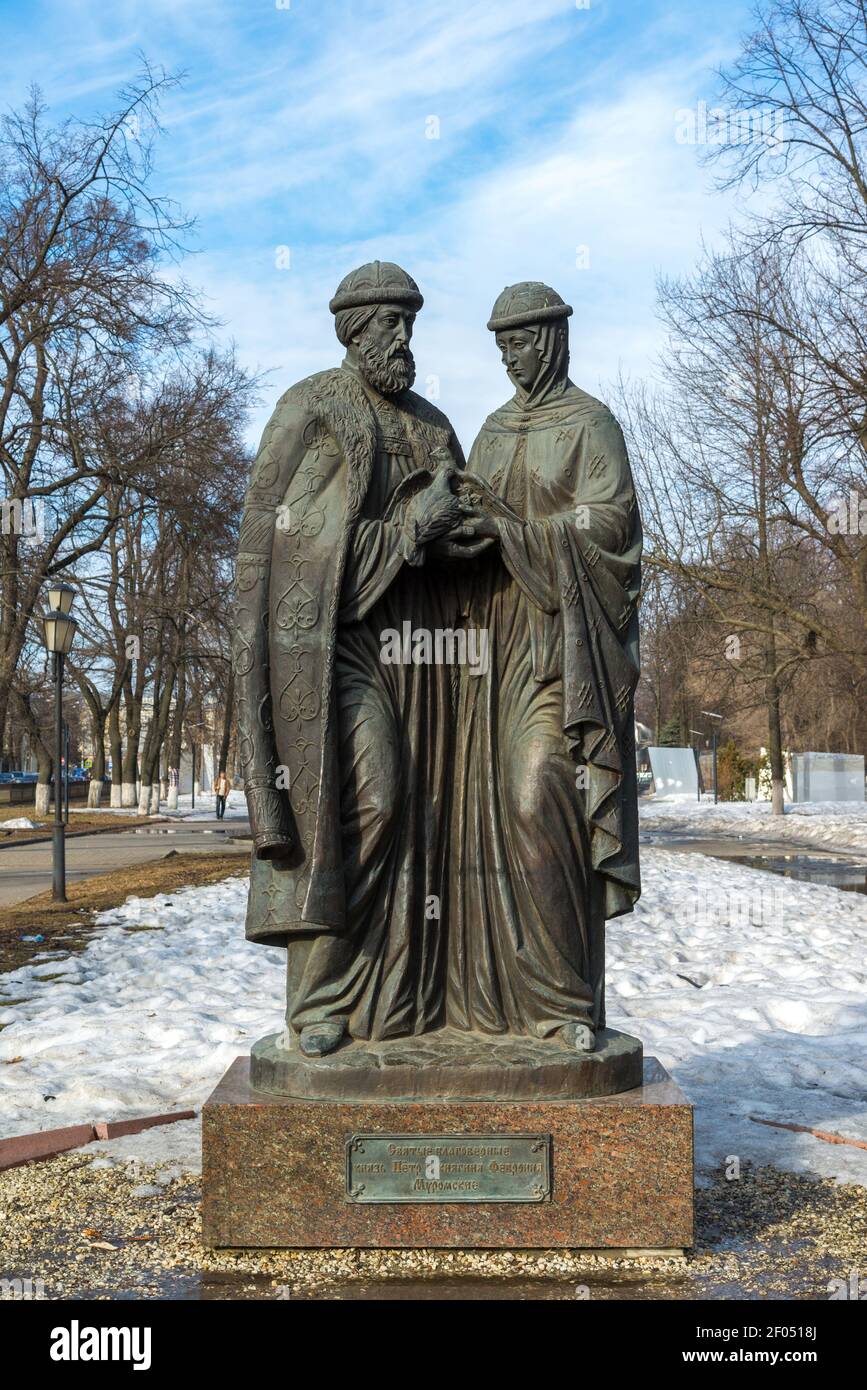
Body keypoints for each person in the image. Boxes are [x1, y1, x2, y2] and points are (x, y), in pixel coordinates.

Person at [234, 261, 473, 1057]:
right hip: (330, 650)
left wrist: (459, 539)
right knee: (367, 801)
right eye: (390, 324)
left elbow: (452, 544)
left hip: (426, 657)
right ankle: (320, 999)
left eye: (410, 322)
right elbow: (287, 542)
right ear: (354, 331)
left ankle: (405, 995)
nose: (404, 338)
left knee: (421, 818)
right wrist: (409, 533)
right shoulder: (310, 408)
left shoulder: (434, 426)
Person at [447, 282, 643, 1051]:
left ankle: (565, 999)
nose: (507, 358)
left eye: (518, 342)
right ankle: (494, 1004)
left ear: (552, 339)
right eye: (498, 346)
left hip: (563, 649)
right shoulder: (493, 430)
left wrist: (516, 529)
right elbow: (478, 521)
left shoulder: (591, 424)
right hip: (490, 652)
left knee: (537, 801)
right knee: (484, 820)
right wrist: (463, 531)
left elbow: (612, 525)